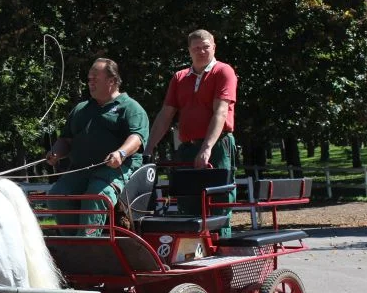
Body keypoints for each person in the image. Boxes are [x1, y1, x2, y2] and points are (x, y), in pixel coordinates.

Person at [144, 29, 238, 237]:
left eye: (206, 47)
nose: (201, 51)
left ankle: (221, 249)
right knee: (188, 203)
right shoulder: (179, 78)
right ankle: (192, 250)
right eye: (196, 48)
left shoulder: (223, 71)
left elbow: (221, 112)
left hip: (217, 146)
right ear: (189, 51)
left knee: (218, 203)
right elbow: (166, 114)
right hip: (187, 147)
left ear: (214, 47)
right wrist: (148, 149)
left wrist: (206, 148)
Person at [45, 58, 148, 236]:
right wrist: (56, 152)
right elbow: (66, 140)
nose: (90, 83)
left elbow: (137, 138)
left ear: (112, 81)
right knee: (57, 196)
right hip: (81, 169)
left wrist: (121, 153)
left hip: (115, 170)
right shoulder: (81, 109)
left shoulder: (130, 108)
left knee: (95, 197)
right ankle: (71, 243)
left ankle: (87, 244)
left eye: (95, 79)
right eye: (89, 79)